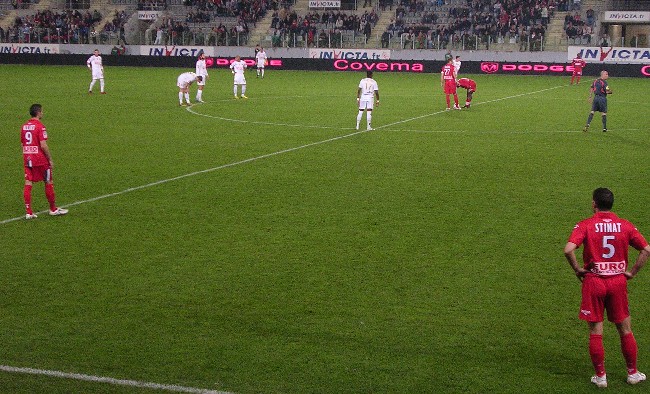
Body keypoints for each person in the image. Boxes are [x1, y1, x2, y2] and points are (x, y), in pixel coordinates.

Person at [564, 187, 649, 388]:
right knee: (625, 329)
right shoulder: (625, 226)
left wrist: (578, 269)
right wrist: (632, 272)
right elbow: (646, 249)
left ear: (594, 203)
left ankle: (601, 377)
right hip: (618, 282)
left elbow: (568, 250)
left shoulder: (586, 225)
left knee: (596, 330)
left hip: (594, 281)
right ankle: (633, 373)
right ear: (611, 204)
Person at [21, 104, 69, 219]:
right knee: (48, 181)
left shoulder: (23, 126)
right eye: (42, 111)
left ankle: (28, 212)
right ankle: (53, 209)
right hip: (40, 160)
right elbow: (43, 145)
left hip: (27, 158)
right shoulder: (40, 126)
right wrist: (50, 159)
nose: (42, 113)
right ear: (38, 113)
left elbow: (22, 143)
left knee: (28, 183)